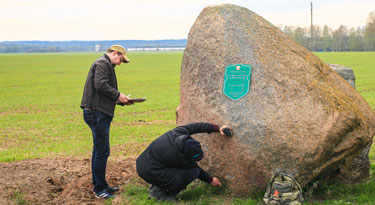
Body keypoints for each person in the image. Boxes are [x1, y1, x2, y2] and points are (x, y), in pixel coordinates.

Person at [81, 45, 132, 199]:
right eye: (121, 59)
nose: (120, 63)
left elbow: (101, 92)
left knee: (99, 151)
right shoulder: (103, 64)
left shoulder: (105, 64)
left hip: (97, 112)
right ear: (115, 53)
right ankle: (100, 189)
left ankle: (101, 185)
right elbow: (101, 85)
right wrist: (118, 95)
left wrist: (122, 101)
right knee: (102, 151)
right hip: (97, 114)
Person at [136, 122, 232, 201]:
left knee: (170, 170)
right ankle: (163, 195)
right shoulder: (178, 157)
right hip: (149, 171)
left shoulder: (179, 132)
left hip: (143, 163)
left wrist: (218, 128)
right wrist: (210, 180)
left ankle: (158, 185)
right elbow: (196, 169)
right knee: (192, 173)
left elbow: (197, 127)